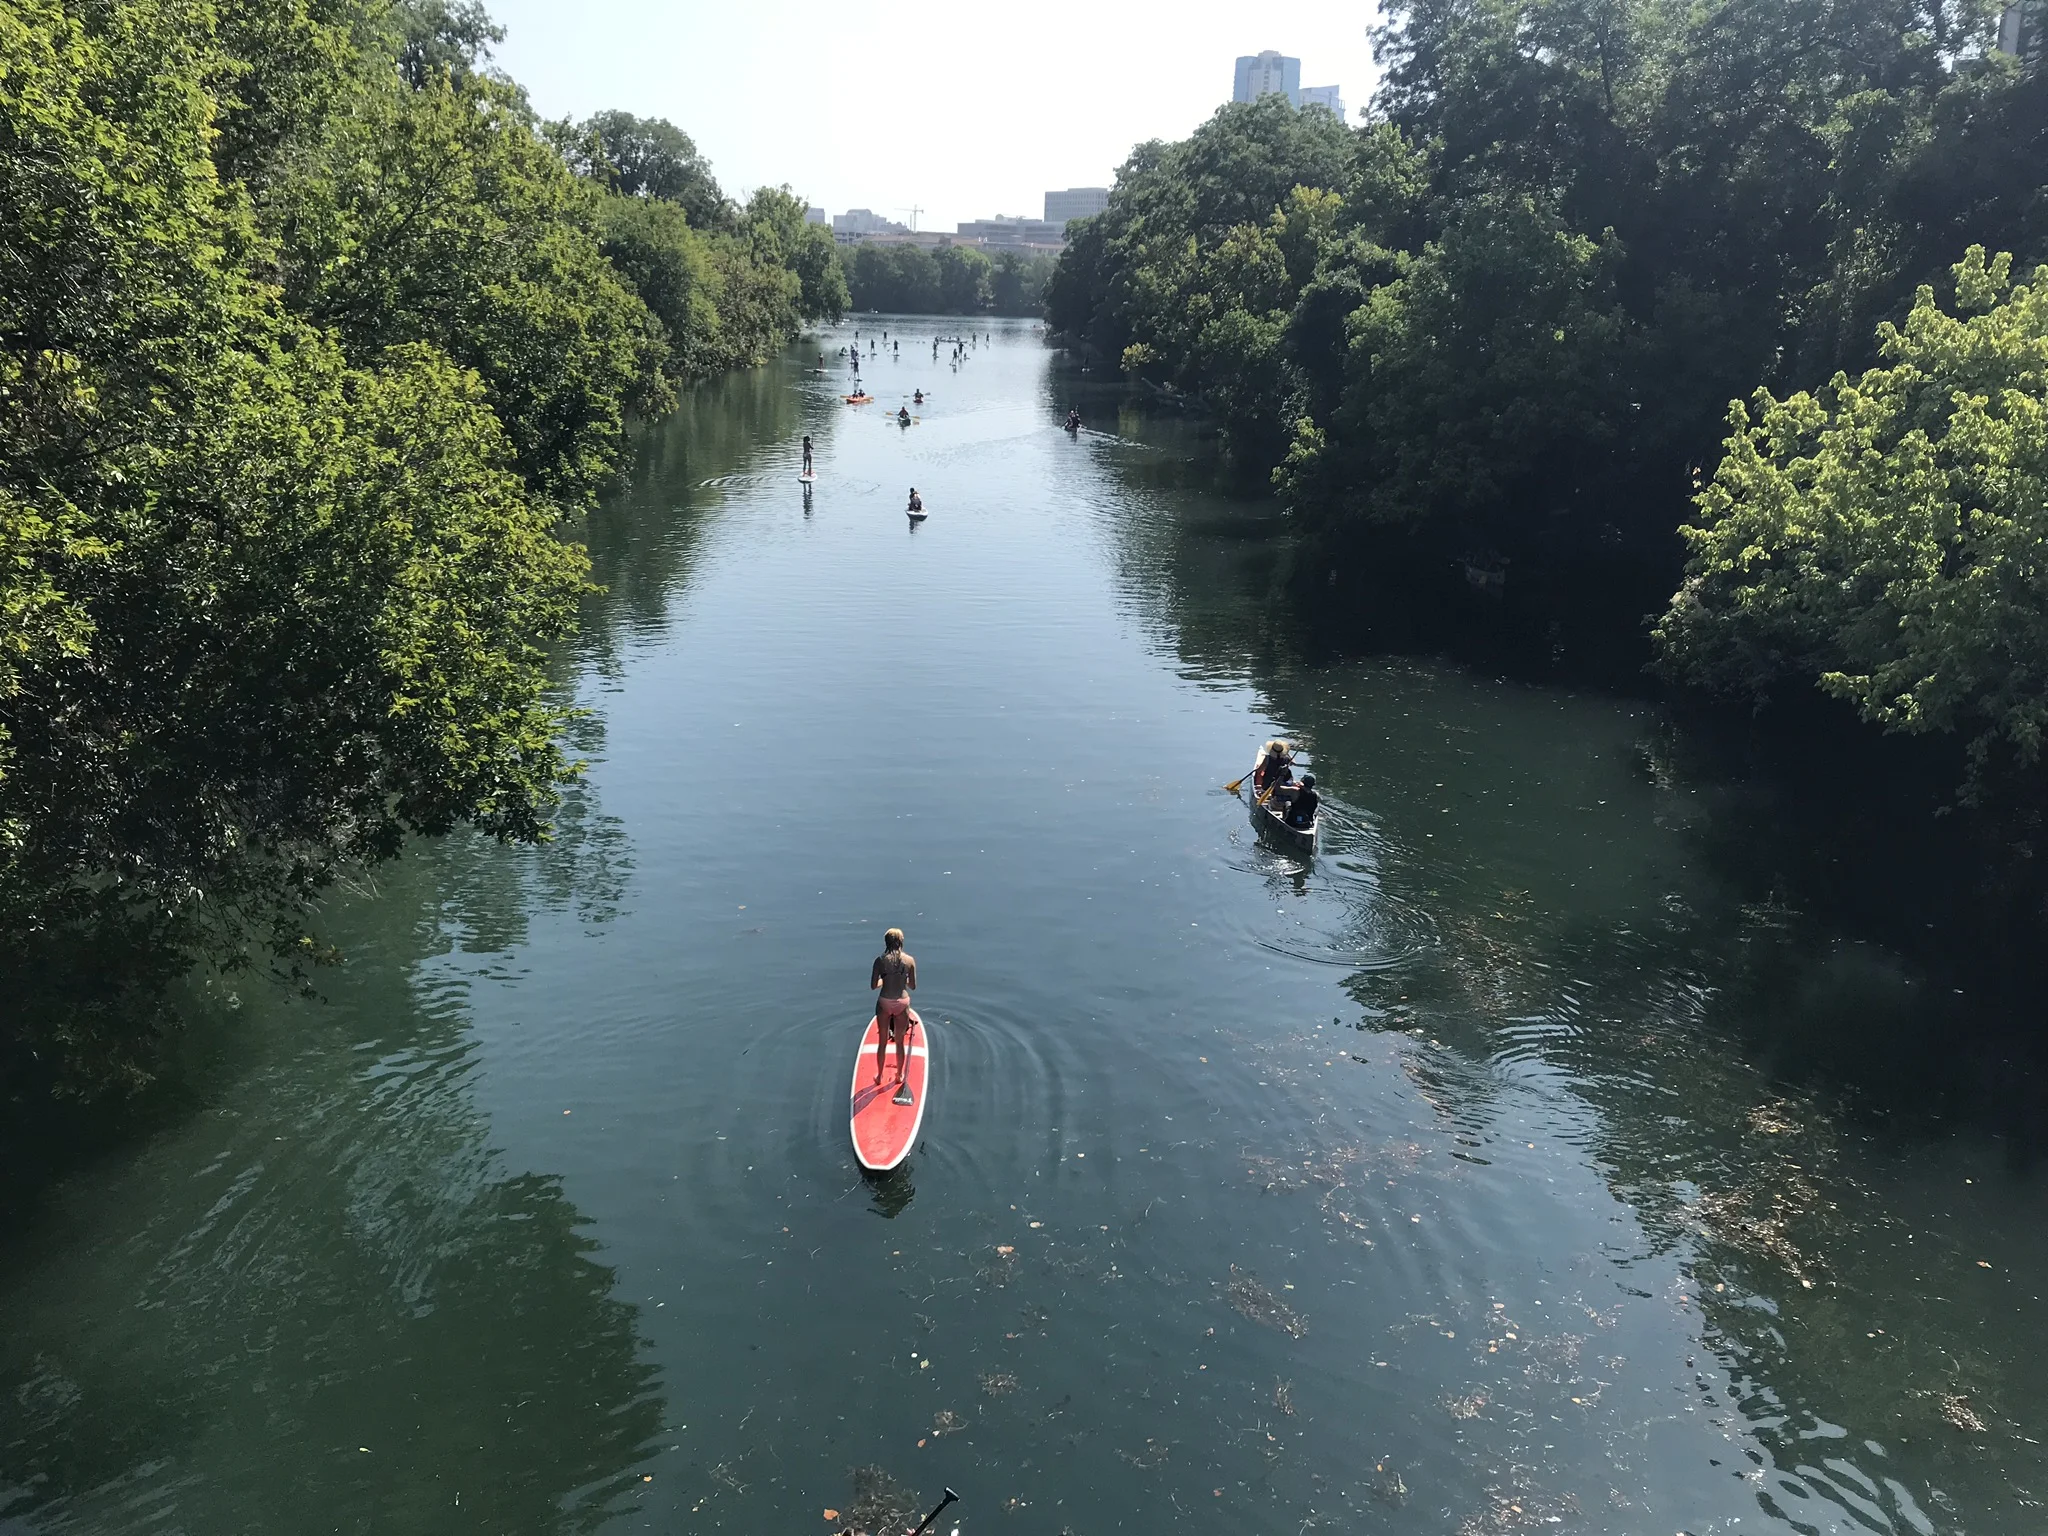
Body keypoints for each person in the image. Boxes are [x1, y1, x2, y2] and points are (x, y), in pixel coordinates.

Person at [870, 927, 918, 1095]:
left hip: (884, 1002)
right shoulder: (910, 961)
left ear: (886, 942)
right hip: (902, 1002)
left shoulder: (879, 961)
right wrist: (900, 979)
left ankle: (880, 1076)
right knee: (899, 1042)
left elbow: (873, 986)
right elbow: (912, 986)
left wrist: (886, 980)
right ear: (901, 942)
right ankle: (899, 1075)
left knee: (882, 1041)